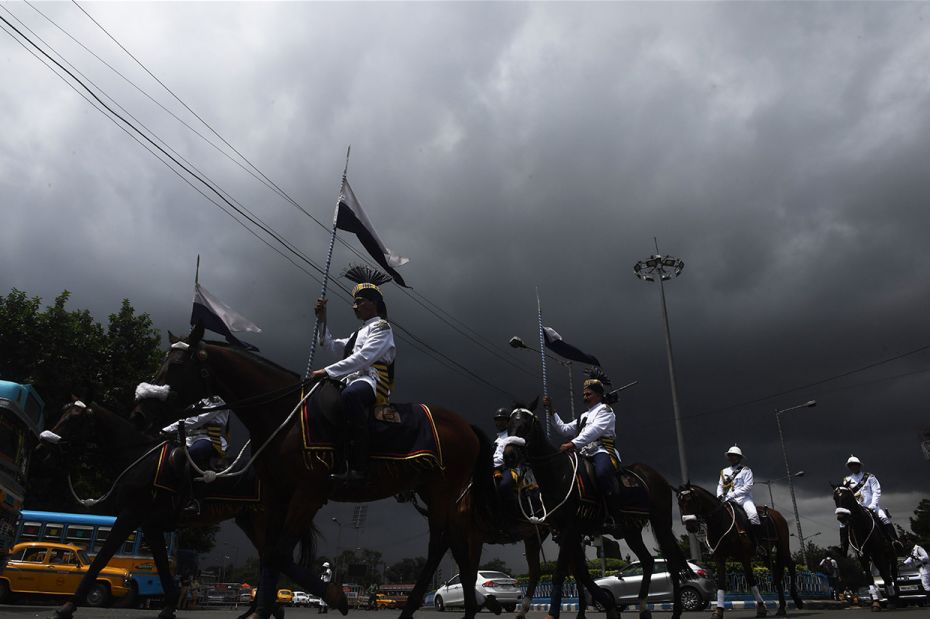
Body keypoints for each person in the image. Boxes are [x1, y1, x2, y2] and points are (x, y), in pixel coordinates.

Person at [311, 266, 396, 484]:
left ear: (374, 303)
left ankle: (360, 466)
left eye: (360, 301)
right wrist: (322, 318)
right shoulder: (357, 334)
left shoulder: (382, 327)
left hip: (373, 380)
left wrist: (327, 371)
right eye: (354, 302)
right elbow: (329, 345)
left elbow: (364, 359)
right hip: (353, 379)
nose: (354, 306)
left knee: (350, 396)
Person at [543, 367, 622, 513]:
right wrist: (551, 410)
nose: (585, 396)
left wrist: (573, 443)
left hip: (601, 450)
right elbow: (564, 429)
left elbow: (595, 431)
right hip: (582, 453)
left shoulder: (605, 410)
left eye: (588, 394)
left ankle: (612, 512)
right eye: (584, 394)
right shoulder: (583, 416)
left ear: (598, 395)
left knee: (602, 473)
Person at [162, 395, 230, 514]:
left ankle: (195, 500)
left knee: (194, 453)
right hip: (188, 438)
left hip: (209, 438)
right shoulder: (198, 400)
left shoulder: (218, 399)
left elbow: (197, 420)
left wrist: (166, 430)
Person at [842, 455, 901, 550]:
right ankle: (843, 549)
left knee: (884, 518)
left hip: (871, 506)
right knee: (843, 523)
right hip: (856, 510)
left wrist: (873, 505)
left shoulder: (869, 477)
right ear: (849, 467)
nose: (853, 467)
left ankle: (895, 541)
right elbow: (846, 496)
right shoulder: (846, 480)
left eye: (855, 464)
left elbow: (876, 491)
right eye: (851, 465)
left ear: (859, 465)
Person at [716, 445, 762, 542]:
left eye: (735, 455)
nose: (732, 457)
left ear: (739, 457)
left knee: (753, 515)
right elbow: (720, 485)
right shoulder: (724, 471)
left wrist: (732, 495)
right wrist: (719, 495)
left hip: (744, 499)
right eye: (730, 455)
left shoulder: (746, 470)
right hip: (728, 500)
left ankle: (758, 542)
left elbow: (748, 487)